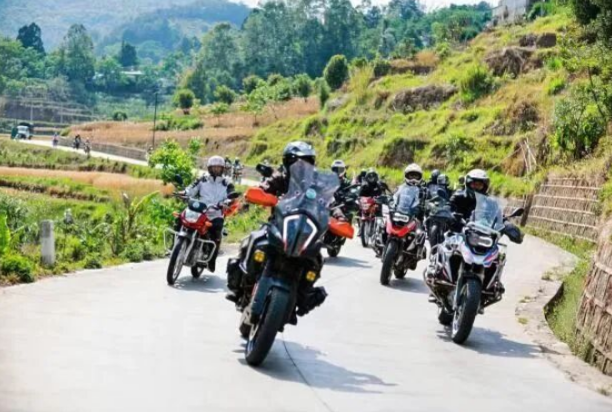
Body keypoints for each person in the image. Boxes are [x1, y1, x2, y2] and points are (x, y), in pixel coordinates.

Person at [181, 155, 237, 273]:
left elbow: (232, 194)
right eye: (213, 167)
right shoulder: (203, 179)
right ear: (209, 168)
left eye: (218, 167)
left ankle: (212, 260)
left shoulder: (227, 182)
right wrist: (185, 192)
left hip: (216, 213)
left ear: (222, 169)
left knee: (216, 236)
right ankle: (176, 245)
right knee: (180, 219)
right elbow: (192, 188)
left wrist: (228, 201)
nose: (216, 169)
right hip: (200, 211)